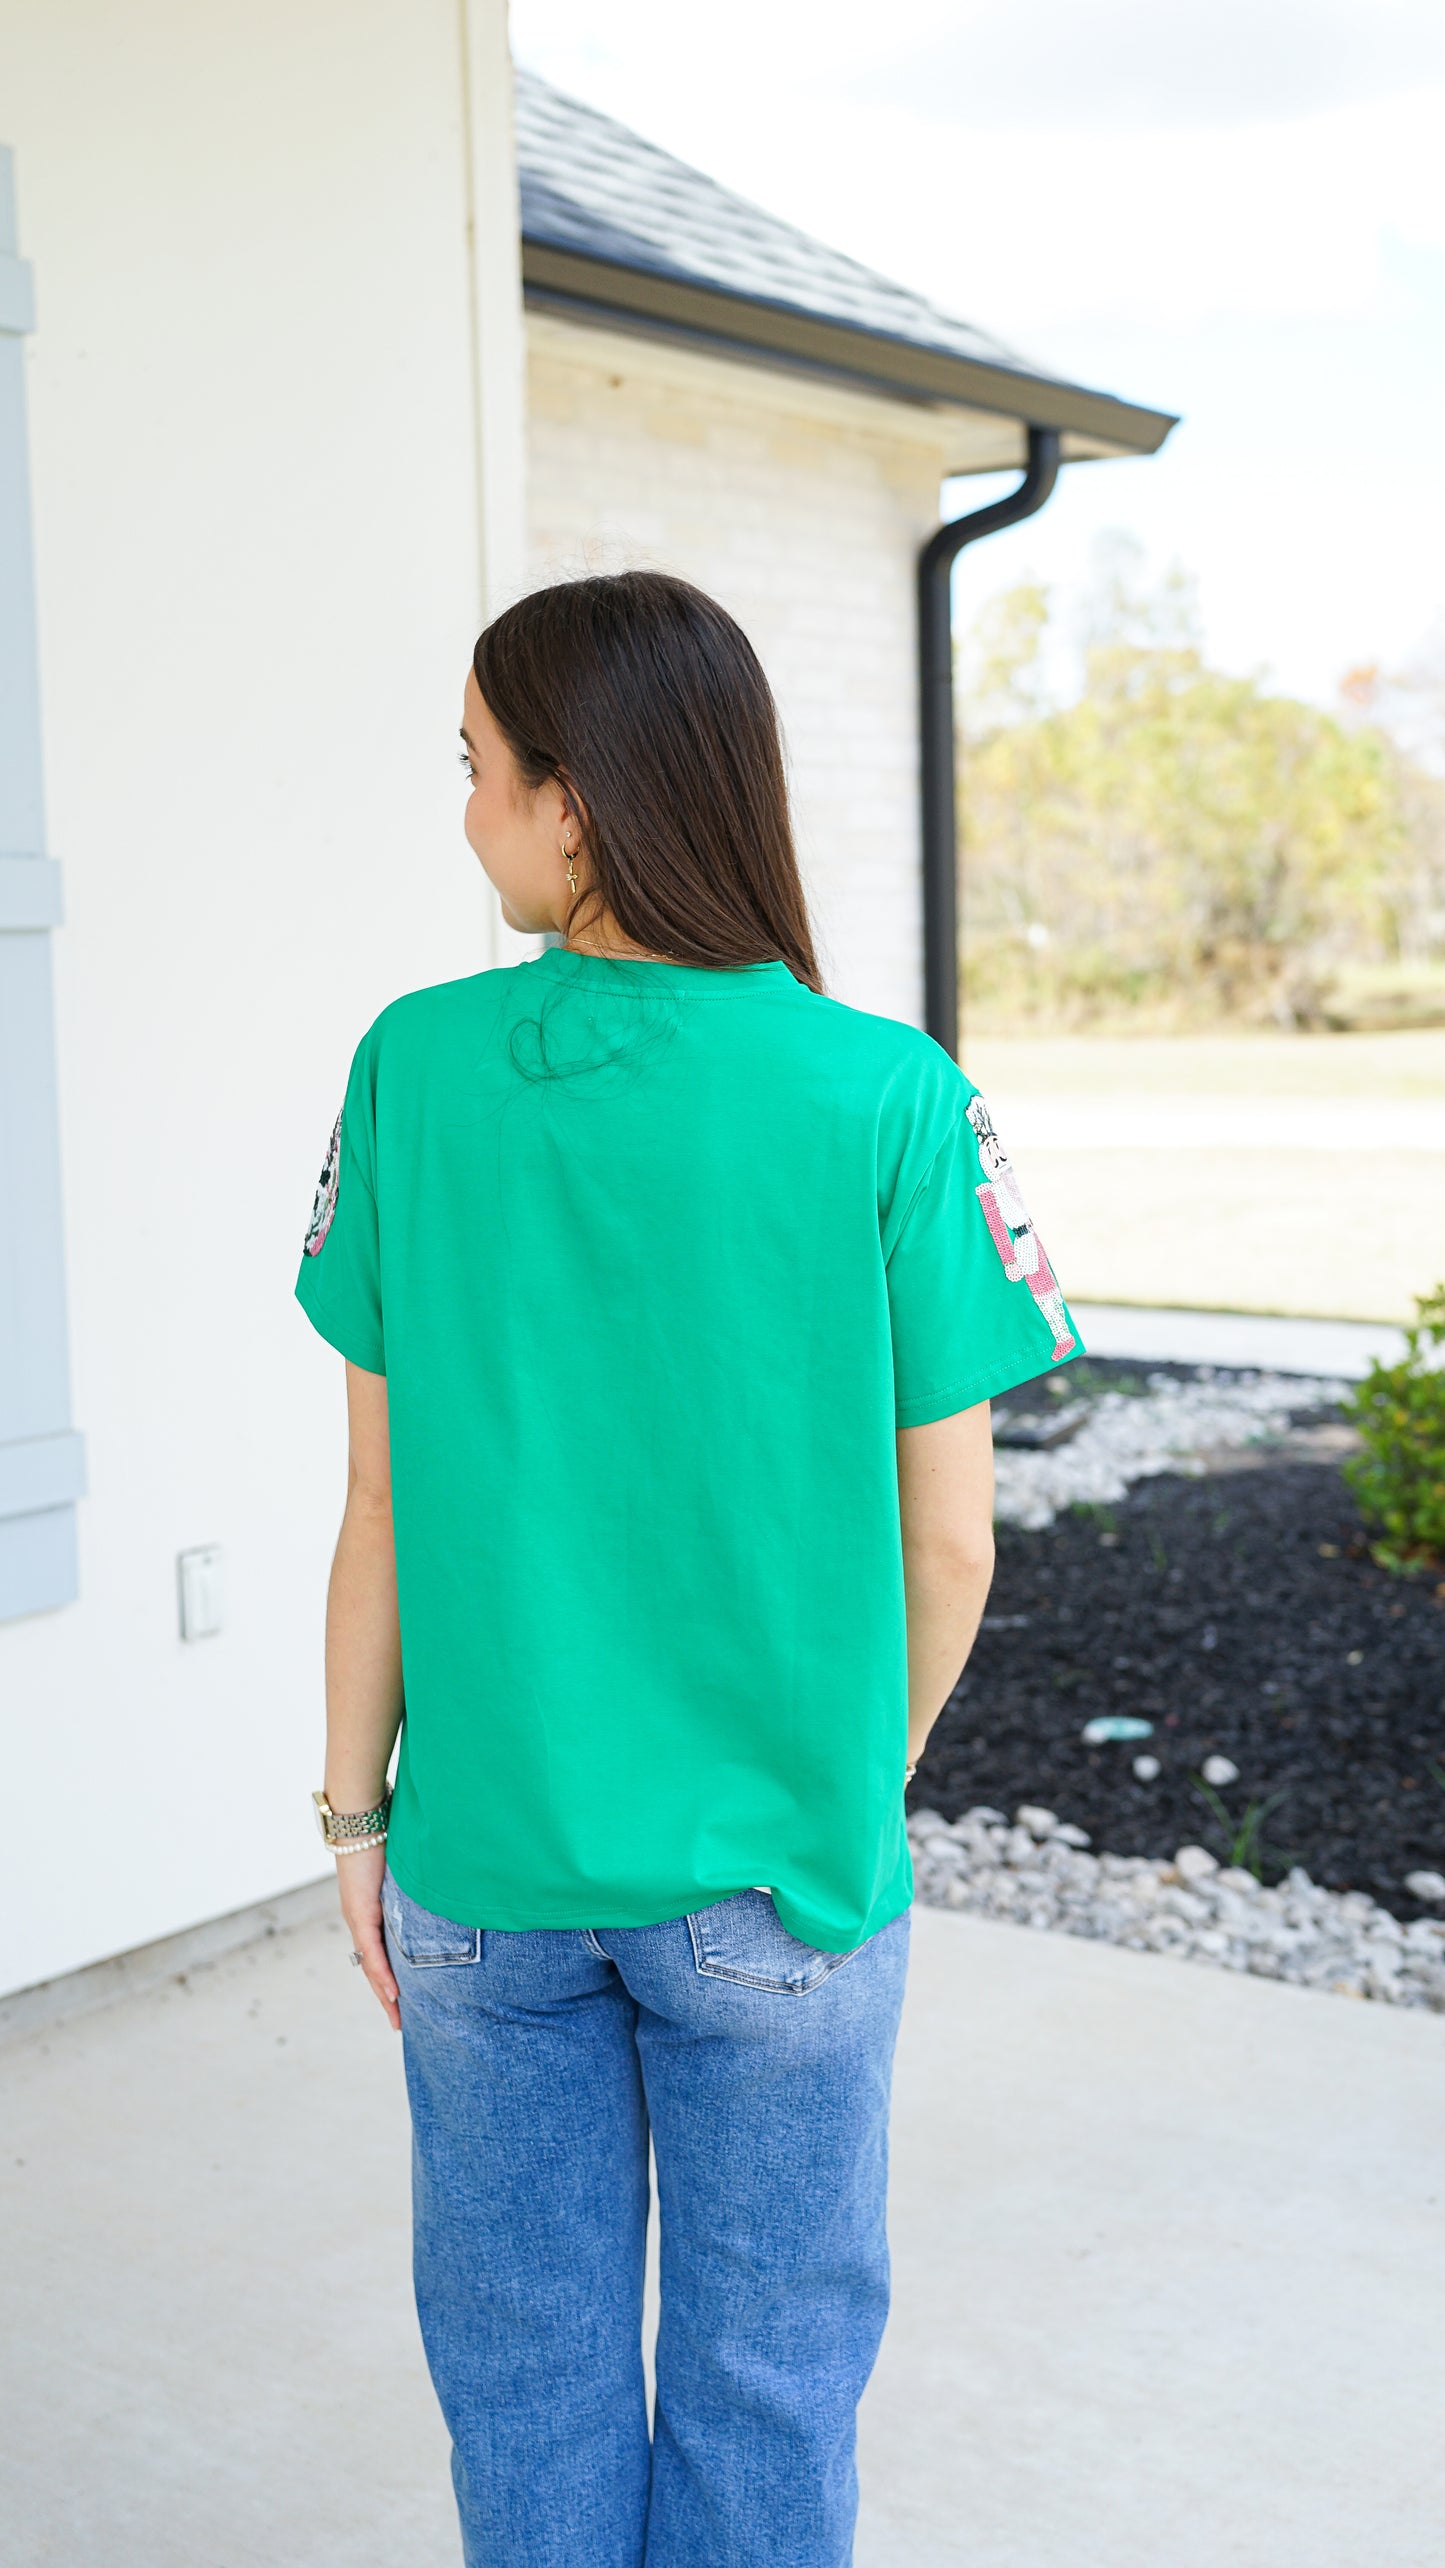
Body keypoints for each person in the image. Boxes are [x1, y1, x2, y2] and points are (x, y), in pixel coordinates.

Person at [296, 570, 1078, 2568]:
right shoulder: (895, 1096)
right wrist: (840, 1779)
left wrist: (349, 1820)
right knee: (769, 2393)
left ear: (581, 803)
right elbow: (953, 1541)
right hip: (779, 1883)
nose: (465, 811)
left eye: (477, 771)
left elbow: (378, 1508)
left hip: (484, 1872)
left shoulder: (412, 1071)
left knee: (526, 2387)